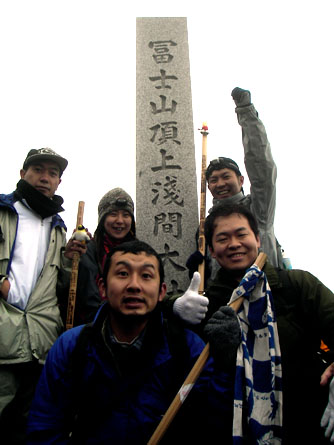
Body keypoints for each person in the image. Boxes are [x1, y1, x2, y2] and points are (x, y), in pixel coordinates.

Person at [26, 240, 234, 444]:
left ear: (162, 291)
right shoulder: (72, 346)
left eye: (146, 276)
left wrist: (225, 362)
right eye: (123, 274)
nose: (134, 285)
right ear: (102, 287)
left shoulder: (186, 347)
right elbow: (45, 427)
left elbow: (213, 419)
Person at [172, 203, 334, 443]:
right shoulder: (207, 306)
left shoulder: (297, 285)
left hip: (309, 423)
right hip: (236, 430)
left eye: (241, 234)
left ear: (257, 238)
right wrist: (173, 307)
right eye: (223, 238)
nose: (234, 244)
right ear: (212, 251)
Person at [0, 147, 87, 444]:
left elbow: (57, 284)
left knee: (31, 422)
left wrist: (69, 260)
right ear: (23, 174)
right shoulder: (4, 211)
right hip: (2, 334)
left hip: (40, 338)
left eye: (52, 173)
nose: (44, 178)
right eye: (38, 170)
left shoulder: (58, 227)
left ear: (59, 182)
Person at [187, 87, 284, 283]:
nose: (220, 184)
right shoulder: (206, 225)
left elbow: (261, 166)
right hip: (224, 303)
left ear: (241, 180)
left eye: (225, 177)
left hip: (269, 294)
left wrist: (246, 112)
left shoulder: (258, 209)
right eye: (213, 180)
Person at [58, 187, 137, 326]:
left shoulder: (140, 254)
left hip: (132, 327)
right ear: (102, 219)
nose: (120, 220)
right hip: (89, 329)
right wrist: (69, 260)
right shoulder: (84, 250)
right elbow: (64, 293)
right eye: (113, 214)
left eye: (126, 215)